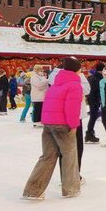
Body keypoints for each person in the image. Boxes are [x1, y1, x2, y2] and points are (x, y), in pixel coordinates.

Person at [22, 57, 83, 200]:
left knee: (47, 156)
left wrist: (46, 122)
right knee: (69, 155)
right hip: (63, 125)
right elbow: (72, 108)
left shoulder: (55, 84)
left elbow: (47, 104)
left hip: (49, 124)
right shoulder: (74, 85)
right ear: (76, 69)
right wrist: (73, 125)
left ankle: (33, 190)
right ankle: (71, 189)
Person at [85, 62, 104, 143]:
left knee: (93, 118)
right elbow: (98, 91)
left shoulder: (91, 77)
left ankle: (89, 133)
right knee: (93, 118)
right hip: (95, 101)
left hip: (92, 100)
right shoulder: (99, 79)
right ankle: (89, 134)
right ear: (102, 69)